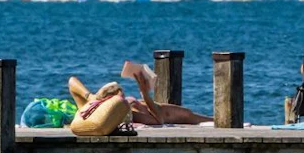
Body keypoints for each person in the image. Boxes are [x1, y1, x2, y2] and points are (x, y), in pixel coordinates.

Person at [67, 61, 212, 125]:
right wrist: (145, 95)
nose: (121, 94)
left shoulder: (90, 106)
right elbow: (158, 120)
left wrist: (90, 96)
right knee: (194, 117)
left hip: (156, 107)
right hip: (162, 113)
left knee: (197, 116)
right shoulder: (125, 113)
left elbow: (72, 82)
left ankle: (219, 121)